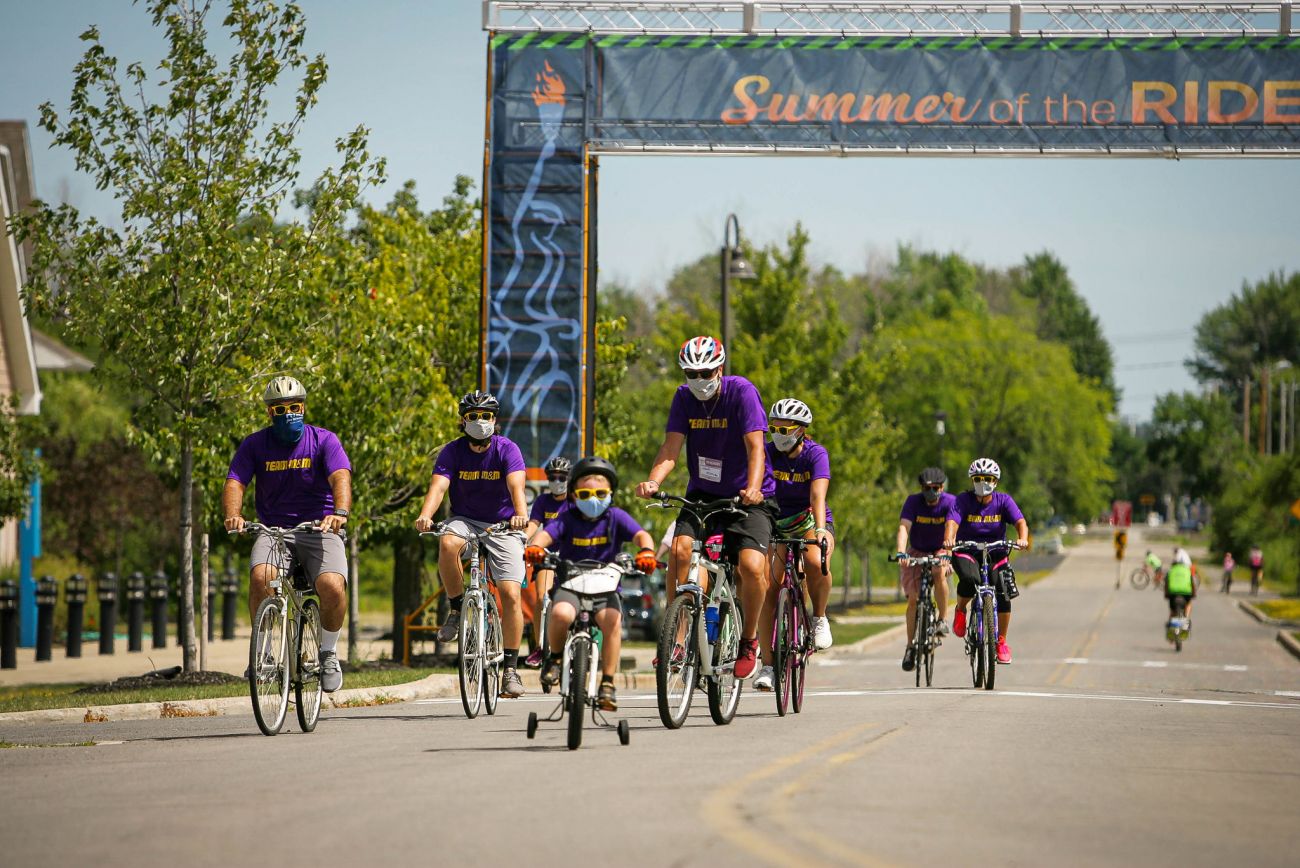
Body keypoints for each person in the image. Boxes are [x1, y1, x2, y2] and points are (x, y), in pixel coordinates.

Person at [635, 335, 775, 679]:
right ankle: (676, 640)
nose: (698, 380)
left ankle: (749, 640)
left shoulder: (741, 391)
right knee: (681, 551)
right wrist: (654, 481)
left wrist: (754, 489)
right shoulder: (684, 398)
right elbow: (670, 448)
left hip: (747, 495)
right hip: (704, 493)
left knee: (752, 567)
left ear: (720, 368)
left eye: (705, 372)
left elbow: (756, 447)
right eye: (691, 373)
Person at [223, 376, 352, 693]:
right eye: (280, 409)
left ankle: (328, 651)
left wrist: (339, 513)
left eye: (294, 407)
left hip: (319, 529)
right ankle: (263, 653)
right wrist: (233, 515)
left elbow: (340, 476)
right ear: (270, 412)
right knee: (260, 577)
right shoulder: (255, 445)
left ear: (304, 407)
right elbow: (235, 482)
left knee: (332, 587)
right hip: (273, 531)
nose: (288, 413)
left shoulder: (323, 440)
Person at [414, 390, 530, 698]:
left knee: (510, 594)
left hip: (504, 524)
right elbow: (438, 487)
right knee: (448, 543)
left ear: (495, 420)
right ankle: (455, 609)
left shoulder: (508, 449)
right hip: (464, 519)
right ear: (463, 421)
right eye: (473, 416)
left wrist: (521, 515)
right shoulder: (452, 452)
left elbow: (517, 486)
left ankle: (510, 669)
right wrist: (425, 515)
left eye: (486, 416)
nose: (480, 422)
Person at [525, 456, 655, 711]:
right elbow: (545, 534)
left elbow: (641, 534)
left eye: (600, 492)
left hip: (605, 590)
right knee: (560, 614)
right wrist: (534, 548)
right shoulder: (566, 517)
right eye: (585, 493)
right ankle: (555, 657)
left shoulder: (616, 517)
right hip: (571, 585)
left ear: (610, 493)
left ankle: (608, 682)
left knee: (612, 621)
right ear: (574, 494)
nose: (593, 499)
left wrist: (647, 551)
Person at [754, 398, 834, 692]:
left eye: (785, 428)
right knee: (767, 586)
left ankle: (820, 618)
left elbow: (817, 498)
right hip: (776, 520)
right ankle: (767, 665)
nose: (778, 433)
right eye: (773, 427)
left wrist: (822, 531)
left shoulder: (815, 454)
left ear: (801, 430)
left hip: (810, 519)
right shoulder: (767, 452)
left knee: (816, 562)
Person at [942, 458, 1029, 665]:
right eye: (979, 478)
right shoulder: (963, 500)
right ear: (973, 480)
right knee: (970, 579)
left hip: (996, 552)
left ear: (995, 481)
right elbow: (952, 521)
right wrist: (949, 538)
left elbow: (1020, 521)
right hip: (967, 550)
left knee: (1003, 591)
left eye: (988, 478)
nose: (984, 482)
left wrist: (1023, 538)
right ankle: (961, 610)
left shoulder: (1003, 501)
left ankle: (1001, 642)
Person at [894, 467, 955, 673]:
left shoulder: (950, 502)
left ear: (942, 487)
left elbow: (951, 529)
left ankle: (942, 619)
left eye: (935, 488)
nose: (931, 492)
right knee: (913, 598)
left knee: (939, 572)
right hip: (917, 550)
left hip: (940, 548)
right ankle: (910, 647)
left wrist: (947, 554)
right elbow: (904, 527)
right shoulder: (913, 502)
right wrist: (901, 552)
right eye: (926, 488)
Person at [523, 456, 571, 667]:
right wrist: (523, 539)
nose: (556, 480)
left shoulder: (576, 501)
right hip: (548, 554)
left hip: (572, 555)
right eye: (552, 477)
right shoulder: (543, 501)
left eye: (561, 477)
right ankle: (540, 647)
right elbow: (534, 524)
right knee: (542, 599)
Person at [1165, 557, 1197, 625]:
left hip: (1173, 592)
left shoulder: (1171, 570)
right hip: (1186, 592)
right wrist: (1194, 593)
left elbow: (1166, 584)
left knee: (1172, 609)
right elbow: (1192, 584)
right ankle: (1187, 618)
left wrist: (1166, 594)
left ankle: (1170, 623)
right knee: (1188, 604)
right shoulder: (1187, 570)